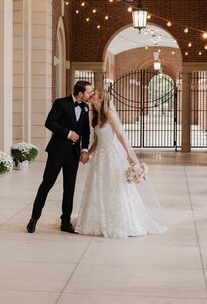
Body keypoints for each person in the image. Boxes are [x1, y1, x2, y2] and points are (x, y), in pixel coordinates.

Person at [75, 89, 167, 238]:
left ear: (101, 99)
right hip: (100, 157)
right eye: (90, 94)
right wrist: (88, 153)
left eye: (94, 94)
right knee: (99, 187)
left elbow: (120, 135)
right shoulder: (95, 116)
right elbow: (98, 141)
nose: (91, 95)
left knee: (114, 187)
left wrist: (130, 156)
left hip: (111, 156)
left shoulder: (109, 115)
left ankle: (117, 221)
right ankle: (99, 220)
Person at [26, 80, 93, 234]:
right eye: (89, 92)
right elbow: (49, 123)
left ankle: (65, 222)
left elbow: (86, 131)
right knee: (47, 184)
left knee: (69, 188)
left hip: (73, 154)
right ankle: (34, 218)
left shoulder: (85, 107)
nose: (90, 94)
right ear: (80, 93)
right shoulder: (61, 103)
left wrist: (84, 150)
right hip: (57, 151)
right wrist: (68, 133)